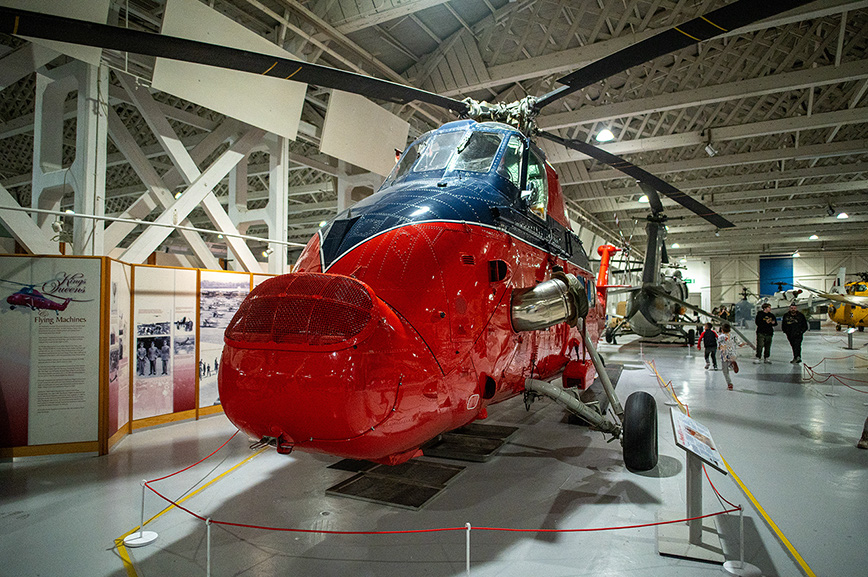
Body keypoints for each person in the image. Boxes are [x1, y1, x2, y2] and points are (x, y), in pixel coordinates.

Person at [717, 323, 744, 390]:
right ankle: (732, 365)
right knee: (730, 362)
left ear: (722, 330)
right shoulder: (733, 336)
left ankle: (729, 384)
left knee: (725, 371)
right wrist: (744, 343)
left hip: (725, 355)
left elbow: (719, 346)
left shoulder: (720, 337)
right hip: (733, 354)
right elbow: (740, 344)